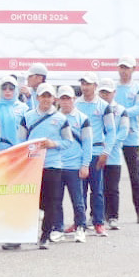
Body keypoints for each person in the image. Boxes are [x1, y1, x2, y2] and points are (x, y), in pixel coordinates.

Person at [12, 84, 72, 251]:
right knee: (28, 201)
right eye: (43, 96)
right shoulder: (28, 116)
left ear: (54, 98)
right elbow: (20, 142)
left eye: (49, 96)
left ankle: (45, 236)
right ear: (37, 97)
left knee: (51, 202)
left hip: (52, 165)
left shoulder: (61, 119)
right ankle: (21, 236)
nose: (46, 99)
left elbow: (69, 142)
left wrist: (54, 144)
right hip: (31, 165)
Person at [75, 75, 112, 237]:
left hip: (97, 152)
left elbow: (111, 131)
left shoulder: (103, 106)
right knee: (79, 190)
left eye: (88, 84)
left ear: (95, 85)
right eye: (82, 83)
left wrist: (106, 151)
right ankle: (79, 223)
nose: (85, 87)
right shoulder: (76, 103)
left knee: (97, 190)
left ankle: (98, 222)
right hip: (79, 153)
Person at [55, 86, 92, 242]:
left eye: (68, 98)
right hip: (57, 165)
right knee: (56, 200)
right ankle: (57, 228)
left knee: (78, 200)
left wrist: (85, 164)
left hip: (74, 165)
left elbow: (87, 143)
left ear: (74, 99)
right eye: (62, 98)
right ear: (57, 100)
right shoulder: (53, 118)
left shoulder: (83, 119)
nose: (65, 102)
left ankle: (80, 227)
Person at [114, 56, 139, 223]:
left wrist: (120, 112)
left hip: (131, 138)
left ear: (134, 69)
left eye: (127, 67)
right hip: (112, 137)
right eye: (121, 67)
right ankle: (105, 214)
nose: (124, 71)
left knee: (135, 176)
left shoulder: (138, 88)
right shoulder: (111, 87)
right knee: (109, 178)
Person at [98, 80, 132, 230]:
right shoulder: (96, 108)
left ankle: (113, 216)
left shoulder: (122, 110)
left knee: (112, 188)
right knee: (98, 188)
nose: (105, 95)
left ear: (114, 93)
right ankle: (97, 215)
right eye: (103, 92)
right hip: (97, 154)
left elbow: (123, 131)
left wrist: (109, 143)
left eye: (108, 92)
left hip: (114, 156)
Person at [0, 75, 28, 150]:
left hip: (17, 150)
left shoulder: (23, 108)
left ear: (16, 90)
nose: (7, 91)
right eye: (4, 88)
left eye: (11, 88)